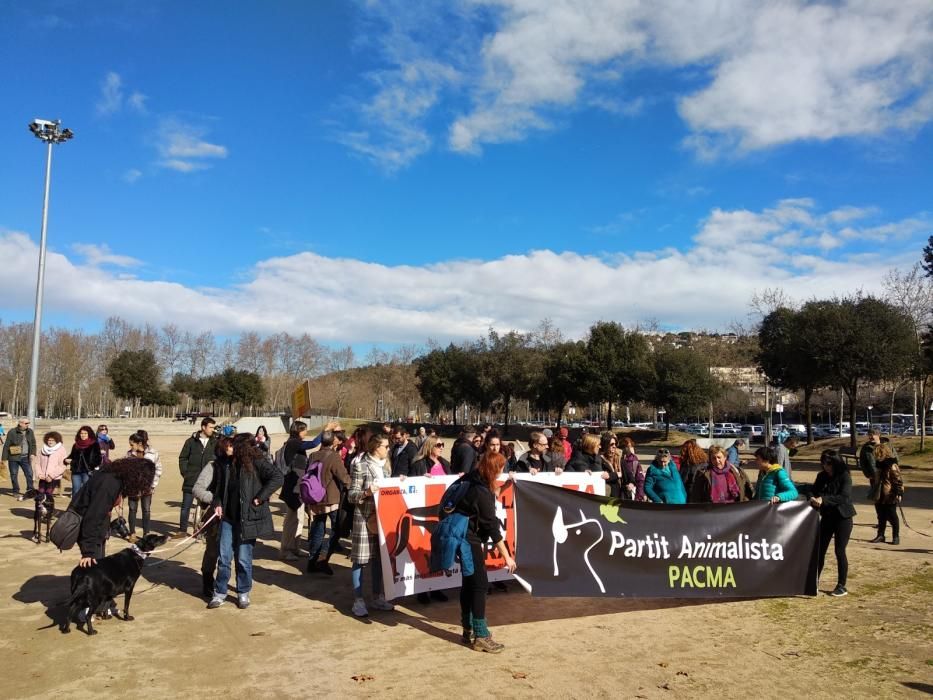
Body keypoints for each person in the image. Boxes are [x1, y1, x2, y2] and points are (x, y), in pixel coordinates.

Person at [207, 433, 283, 610]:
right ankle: (220, 592)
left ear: (242, 448)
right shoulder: (225, 464)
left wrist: (261, 497)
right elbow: (217, 489)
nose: (229, 447)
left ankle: (243, 592)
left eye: (233, 445)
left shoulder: (256, 463)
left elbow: (278, 477)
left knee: (243, 558)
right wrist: (217, 504)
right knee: (224, 558)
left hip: (247, 519)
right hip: (227, 518)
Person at [452, 451, 517, 653]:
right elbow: (492, 528)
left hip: (461, 536)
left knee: (469, 583)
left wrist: (506, 484)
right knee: (479, 584)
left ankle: (467, 629)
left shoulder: (471, 477)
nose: (501, 472)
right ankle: (480, 635)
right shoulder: (481, 492)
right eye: (499, 469)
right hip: (468, 540)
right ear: (492, 469)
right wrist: (507, 557)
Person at [73, 457, 156, 567]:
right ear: (136, 476)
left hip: (97, 530)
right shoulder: (110, 483)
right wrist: (88, 551)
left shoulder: (113, 475)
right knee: (95, 571)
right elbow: (93, 516)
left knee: (99, 568)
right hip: (91, 532)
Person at [348, 433, 395, 617]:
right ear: (376, 447)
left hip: (382, 518)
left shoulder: (386, 467)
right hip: (364, 518)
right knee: (360, 560)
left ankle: (377, 597)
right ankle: (358, 600)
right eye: (386, 446)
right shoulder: (361, 466)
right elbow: (352, 495)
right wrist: (366, 493)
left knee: (379, 559)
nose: (388, 449)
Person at [810, 450, 856, 596]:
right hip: (827, 517)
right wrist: (813, 498)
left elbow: (844, 496)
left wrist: (824, 500)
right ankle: (813, 581)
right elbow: (814, 491)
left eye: (828, 464)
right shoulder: (821, 476)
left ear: (836, 463)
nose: (826, 466)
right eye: (823, 463)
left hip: (843, 517)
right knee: (819, 550)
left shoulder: (844, 476)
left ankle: (841, 585)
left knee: (839, 551)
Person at [306, 431, 351, 575]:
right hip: (331, 499)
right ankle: (323, 559)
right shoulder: (334, 457)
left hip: (314, 497)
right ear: (333, 442)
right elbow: (344, 477)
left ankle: (312, 562)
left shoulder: (313, 455)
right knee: (336, 530)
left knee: (318, 529)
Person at [193, 437, 233, 598]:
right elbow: (197, 489)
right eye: (230, 446)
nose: (233, 449)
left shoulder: (238, 466)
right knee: (213, 551)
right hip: (215, 517)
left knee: (230, 553)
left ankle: (225, 583)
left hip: (233, 516)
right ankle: (207, 580)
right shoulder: (212, 466)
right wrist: (216, 499)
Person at [177, 417, 218, 538]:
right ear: (203, 427)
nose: (212, 430)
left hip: (208, 481)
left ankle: (201, 530)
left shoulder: (215, 442)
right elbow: (182, 458)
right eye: (210, 427)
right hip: (191, 478)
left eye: (213, 427)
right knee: (186, 507)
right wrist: (186, 473)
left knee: (205, 507)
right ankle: (182, 530)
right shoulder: (190, 442)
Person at [125, 431, 162, 542]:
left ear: (139, 443)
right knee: (132, 509)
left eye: (132, 444)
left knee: (146, 510)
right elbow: (125, 470)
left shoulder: (153, 453)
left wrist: (153, 485)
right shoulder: (129, 454)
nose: (131, 447)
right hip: (133, 487)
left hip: (147, 487)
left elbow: (158, 470)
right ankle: (132, 533)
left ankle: (146, 533)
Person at [870, 443, 903, 545]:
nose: (875, 456)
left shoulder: (892, 465)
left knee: (892, 516)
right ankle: (880, 535)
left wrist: (898, 493)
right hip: (879, 493)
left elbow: (898, 480)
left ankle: (896, 536)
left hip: (889, 494)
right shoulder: (878, 465)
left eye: (877, 454)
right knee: (880, 516)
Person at [35, 431, 67, 531]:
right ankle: (39, 512)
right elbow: (37, 463)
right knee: (40, 494)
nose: (50, 442)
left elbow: (62, 465)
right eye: (48, 440)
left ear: (57, 440)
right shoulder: (42, 450)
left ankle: (49, 513)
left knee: (48, 495)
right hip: (43, 477)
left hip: (53, 478)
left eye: (52, 440)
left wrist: (51, 475)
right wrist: (39, 474)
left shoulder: (61, 450)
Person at [64, 425, 102, 499]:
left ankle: (85, 508)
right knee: (75, 490)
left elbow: (98, 458)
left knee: (86, 490)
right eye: (81, 433)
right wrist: (66, 460)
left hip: (87, 472)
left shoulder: (94, 444)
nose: (83, 435)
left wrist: (91, 466)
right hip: (76, 471)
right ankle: (74, 508)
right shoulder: (76, 445)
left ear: (89, 434)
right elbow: (72, 456)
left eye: (85, 433)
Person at [3, 417, 36, 500]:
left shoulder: (30, 431)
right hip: (13, 457)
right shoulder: (12, 432)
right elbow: (6, 445)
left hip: (25, 457)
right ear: (20, 423)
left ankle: (30, 490)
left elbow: (33, 443)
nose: (27, 425)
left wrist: (32, 453)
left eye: (28, 423)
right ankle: (16, 491)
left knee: (29, 474)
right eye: (26, 423)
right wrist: (4, 458)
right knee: (14, 475)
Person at [618, 437, 646, 501]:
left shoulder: (634, 460)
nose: (627, 449)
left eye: (629, 446)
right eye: (624, 447)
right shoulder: (617, 459)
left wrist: (639, 496)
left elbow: (640, 479)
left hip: (630, 494)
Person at [859, 428, 882, 501]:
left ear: (878, 435)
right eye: (869, 435)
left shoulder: (886, 445)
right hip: (873, 476)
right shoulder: (866, 448)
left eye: (872, 435)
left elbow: (895, 459)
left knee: (886, 497)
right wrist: (868, 474)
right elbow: (862, 462)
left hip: (886, 476)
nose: (870, 437)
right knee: (876, 498)